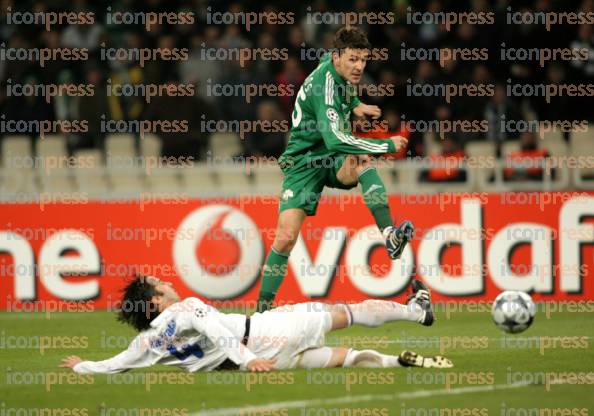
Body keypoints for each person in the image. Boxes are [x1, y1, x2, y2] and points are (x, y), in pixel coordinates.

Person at [255, 27, 413, 312]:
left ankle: (389, 233)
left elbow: (344, 99)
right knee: (286, 237)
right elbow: (335, 137)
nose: (359, 66)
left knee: (362, 159)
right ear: (337, 57)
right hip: (303, 161)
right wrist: (387, 146)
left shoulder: (341, 71)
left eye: (364, 60)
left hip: (332, 157)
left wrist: (356, 105)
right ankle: (262, 313)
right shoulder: (323, 84)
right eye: (353, 59)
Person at [60, 276, 449, 374]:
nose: (169, 282)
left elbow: (115, 364)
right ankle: (419, 312)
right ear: (155, 301)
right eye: (161, 285)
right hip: (263, 334)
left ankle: (396, 363)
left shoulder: (145, 343)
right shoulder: (186, 308)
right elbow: (217, 330)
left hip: (270, 360)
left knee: (341, 359)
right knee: (348, 312)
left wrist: (81, 366)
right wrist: (247, 359)